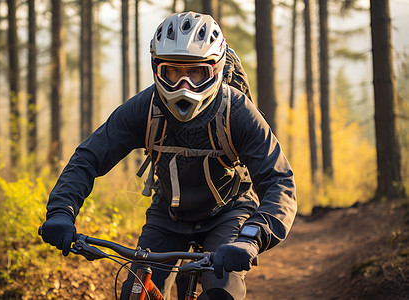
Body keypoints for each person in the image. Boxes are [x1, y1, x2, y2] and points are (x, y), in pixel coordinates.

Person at [40, 11, 297, 300]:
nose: (183, 86)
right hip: (168, 216)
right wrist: (61, 212)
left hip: (228, 213)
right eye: (173, 72)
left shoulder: (237, 112)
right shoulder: (144, 108)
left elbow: (279, 183)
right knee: (135, 295)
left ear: (215, 69)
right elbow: (88, 159)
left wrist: (251, 238)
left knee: (221, 294)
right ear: (157, 69)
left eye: (196, 72)